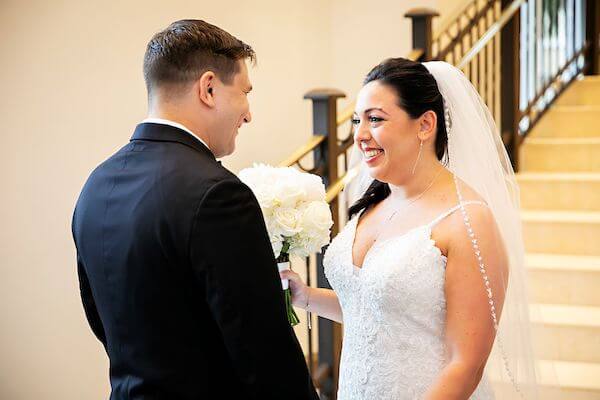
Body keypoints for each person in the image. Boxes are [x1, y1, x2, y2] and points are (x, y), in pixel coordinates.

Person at [72, 19, 319, 400]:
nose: (249, 113)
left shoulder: (96, 185)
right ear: (208, 88)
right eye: (244, 92)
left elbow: (101, 320)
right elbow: (265, 354)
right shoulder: (219, 195)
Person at [281, 58, 537, 399]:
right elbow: (379, 309)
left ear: (425, 124)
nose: (359, 135)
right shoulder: (373, 202)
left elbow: (466, 364)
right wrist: (307, 296)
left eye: (375, 119)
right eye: (358, 120)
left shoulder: (468, 220)